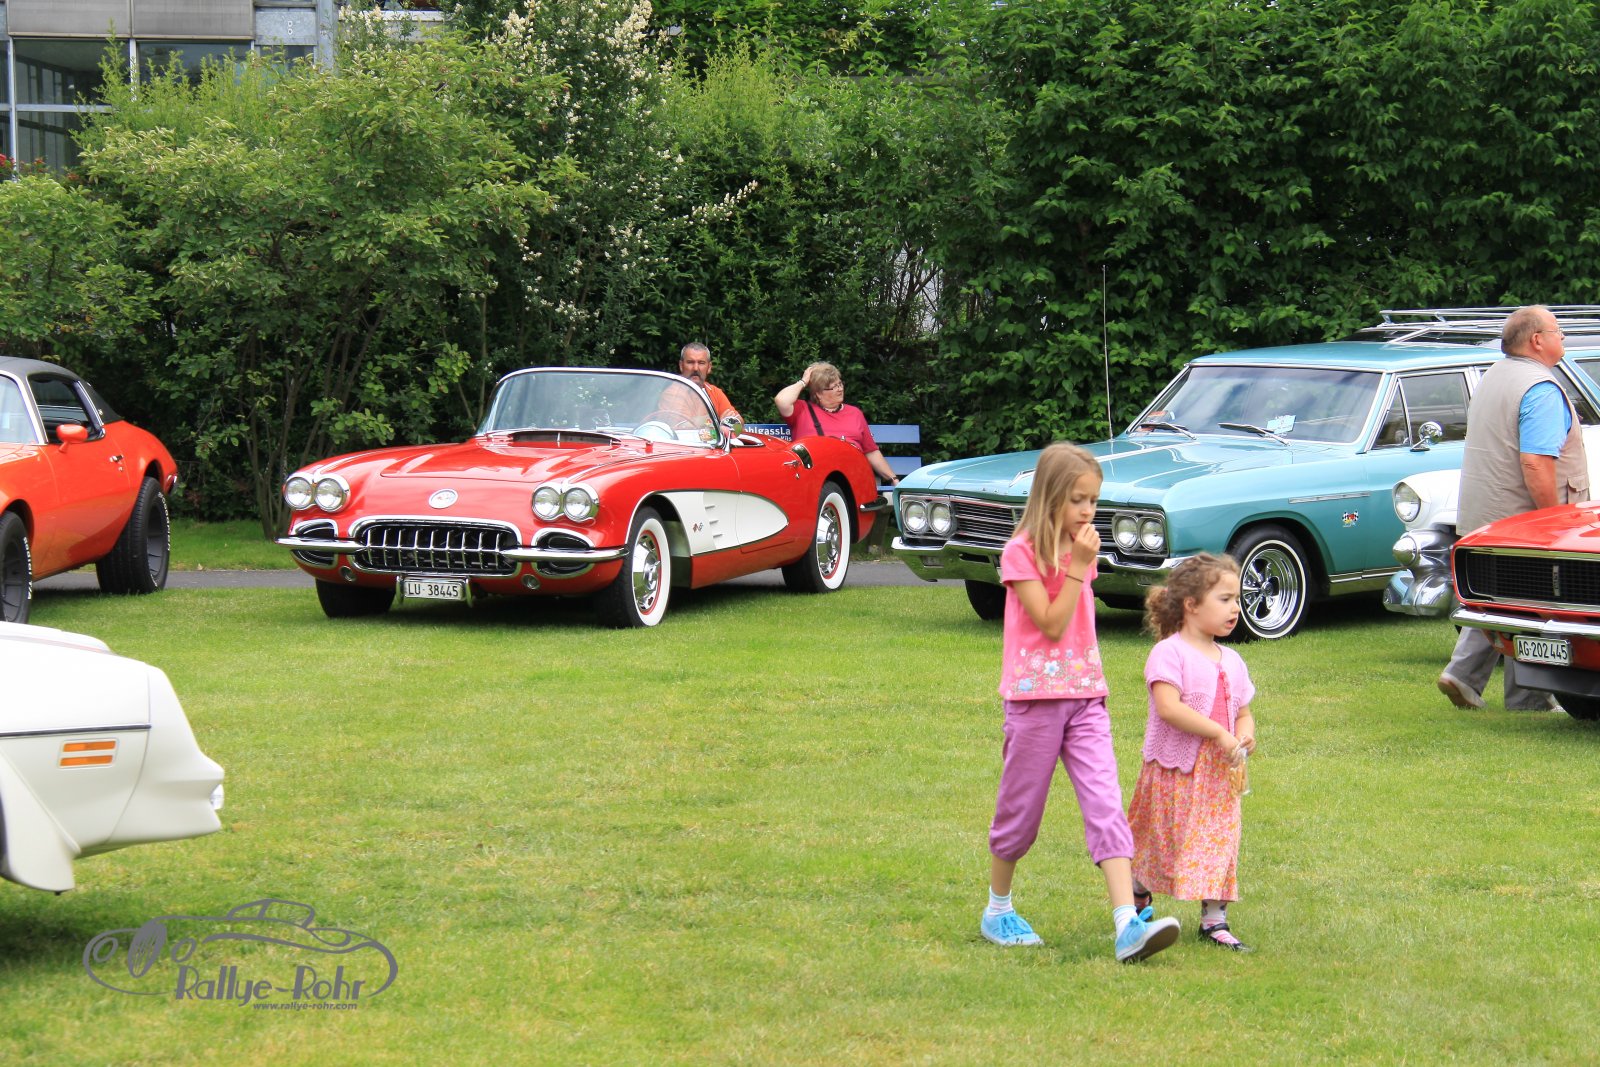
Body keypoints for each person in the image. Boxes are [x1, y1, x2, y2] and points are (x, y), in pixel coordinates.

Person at [980, 441, 1181, 962]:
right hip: (1034, 701)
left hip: (1086, 697)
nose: (1088, 511)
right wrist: (1076, 566)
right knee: (1020, 812)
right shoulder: (1020, 553)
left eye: (1093, 500)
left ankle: (1126, 924)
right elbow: (1051, 623)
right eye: (1077, 500)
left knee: (1106, 805)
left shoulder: (1081, 551)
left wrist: (1079, 562)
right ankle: (998, 909)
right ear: (1050, 497)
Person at [1438, 305, 1589, 711]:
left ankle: (1468, 678)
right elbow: (1536, 461)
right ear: (1537, 340)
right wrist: (1553, 522)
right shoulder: (1540, 387)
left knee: (1501, 601)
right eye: (1557, 331)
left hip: (1486, 517)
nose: (1563, 338)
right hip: (1524, 521)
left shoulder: (1494, 376)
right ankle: (1526, 698)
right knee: (1535, 606)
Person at [1128, 553, 1257, 953]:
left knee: (1219, 840)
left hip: (1219, 774)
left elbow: (1244, 711)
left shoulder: (1233, 660)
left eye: (1237, 599)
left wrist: (1244, 735)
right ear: (1191, 605)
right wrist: (1218, 733)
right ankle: (1137, 892)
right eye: (1225, 599)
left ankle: (1214, 920)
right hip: (1176, 770)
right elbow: (1169, 708)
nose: (1235, 608)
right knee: (1162, 838)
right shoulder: (1170, 653)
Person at [773, 362, 899, 486]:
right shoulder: (802, 410)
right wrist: (803, 381)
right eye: (833, 387)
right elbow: (781, 400)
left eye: (840, 384)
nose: (840, 389)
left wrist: (893, 479)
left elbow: (871, 451)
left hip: (853, 476)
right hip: (815, 479)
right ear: (818, 393)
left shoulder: (854, 413)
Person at [671, 341, 741, 422]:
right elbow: (684, 425)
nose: (696, 368)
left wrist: (731, 424)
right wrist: (718, 422)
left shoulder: (715, 392)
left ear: (709, 367)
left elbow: (739, 423)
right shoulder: (673, 393)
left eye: (701, 363)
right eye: (690, 362)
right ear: (681, 366)